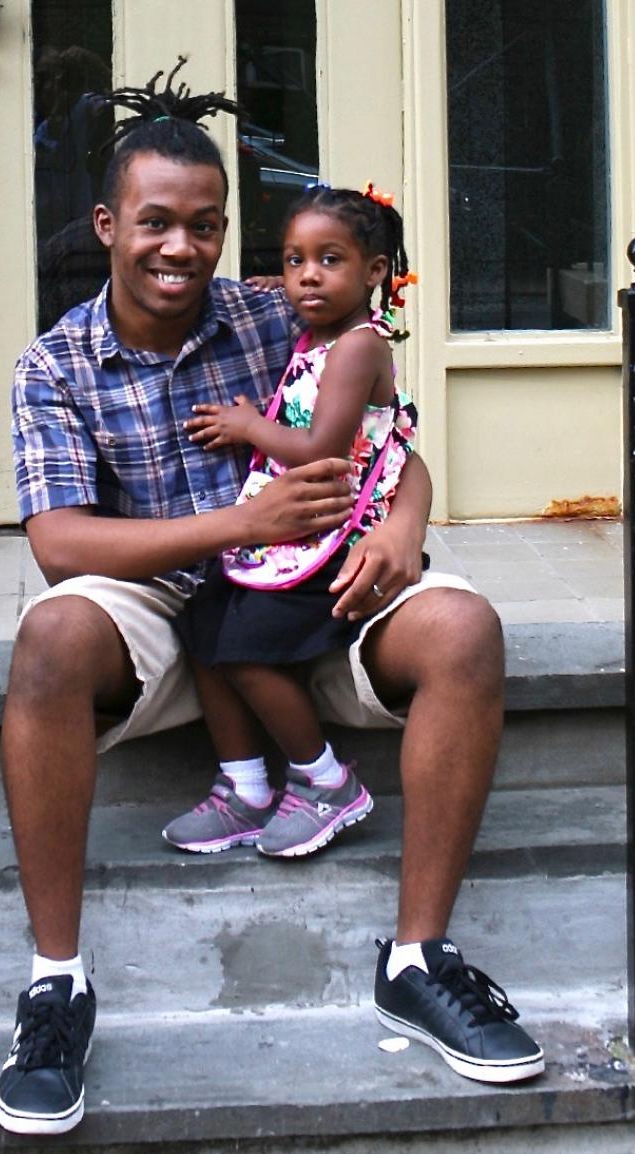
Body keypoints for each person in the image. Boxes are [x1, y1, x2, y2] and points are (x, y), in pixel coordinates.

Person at [0, 64, 544, 1138]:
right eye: (155, 222)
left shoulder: (279, 310)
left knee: (464, 625)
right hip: (163, 608)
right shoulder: (53, 366)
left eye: (204, 225)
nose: (180, 247)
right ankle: (56, 985)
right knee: (50, 639)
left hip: (315, 591)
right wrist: (234, 524)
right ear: (107, 226)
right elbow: (59, 545)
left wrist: (405, 522)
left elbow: (387, 435)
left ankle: (417, 959)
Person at [162, 182, 419, 859]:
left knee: (247, 647)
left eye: (329, 260)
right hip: (297, 533)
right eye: (293, 259)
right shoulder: (319, 331)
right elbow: (302, 288)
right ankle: (245, 787)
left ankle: (326, 780)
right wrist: (281, 285)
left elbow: (321, 448)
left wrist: (248, 425)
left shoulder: (357, 348)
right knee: (203, 620)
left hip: (336, 538)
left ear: (374, 272)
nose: (307, 276)